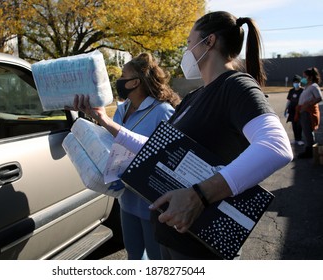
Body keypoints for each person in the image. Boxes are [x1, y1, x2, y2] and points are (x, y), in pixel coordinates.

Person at [73, 11, 293, 259]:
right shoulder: (195, 96)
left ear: (208, 42)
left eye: (189, 43)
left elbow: (276, 147)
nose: (186, 51)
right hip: (172, 236)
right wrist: (102, 119)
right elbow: (157, 148)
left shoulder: (236, 86)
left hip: (201, 246)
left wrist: (199, 194)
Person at [109, 53, 180, 260]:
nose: (119, 80)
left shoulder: (163, 112)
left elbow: (170, 157)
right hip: (126, 200)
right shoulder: (121, 110)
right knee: (133, 255)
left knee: (155, 259)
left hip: (151, 205)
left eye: (123, 76)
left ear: (135, 82)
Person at [296, 67, 322, 158]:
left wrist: (307, 105)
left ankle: (310, 151)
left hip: (308, 112)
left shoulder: (314, 86)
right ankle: (309, 149)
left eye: (304, 76)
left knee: (308, 132)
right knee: (306, 132)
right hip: (303, 111)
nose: (303, 78)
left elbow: (319, 98)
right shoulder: (308, 86)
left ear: (310, 77)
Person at [284, 75, 304, 145]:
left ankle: (300, 139)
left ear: (300, 82)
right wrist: (286, 109)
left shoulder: (303, 91)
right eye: (295, 82)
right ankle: (296, 139)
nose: (296, 83)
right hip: (292, 110)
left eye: (297, 82)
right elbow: (289, 100)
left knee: (299, 125)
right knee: (294, 125)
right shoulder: (291, 91)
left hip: (299, 110)